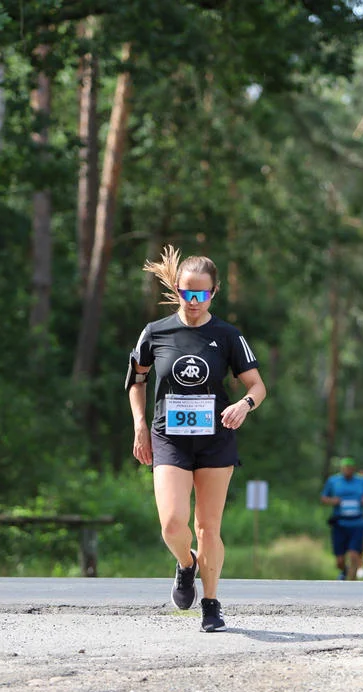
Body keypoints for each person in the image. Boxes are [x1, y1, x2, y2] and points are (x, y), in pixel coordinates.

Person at [128, 245, 267, 633]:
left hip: (215, 441)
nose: (193, 301)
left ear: (214, 293)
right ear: (177, 288)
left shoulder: (227, 336)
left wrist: (245, 404)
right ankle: (185, 564)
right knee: (172, 524)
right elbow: (136, 381)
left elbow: (257, 385)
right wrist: (140, 424)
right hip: (169, 438)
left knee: (208, 526)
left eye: (201, 294)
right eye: (187, 292)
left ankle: (211, 603)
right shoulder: (155, 333)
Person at [320, 458, 363, 580]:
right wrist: (333, 501)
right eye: (345, 468)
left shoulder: (362, 481)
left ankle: (351, 584)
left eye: (350, 468)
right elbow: (323, 498)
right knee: (339, 561)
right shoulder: (333, 481)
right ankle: (345, 571)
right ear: (341, 468)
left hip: (357, 523)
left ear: (353, 469)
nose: (347, 470)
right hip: (339, 523)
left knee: (354, 555)